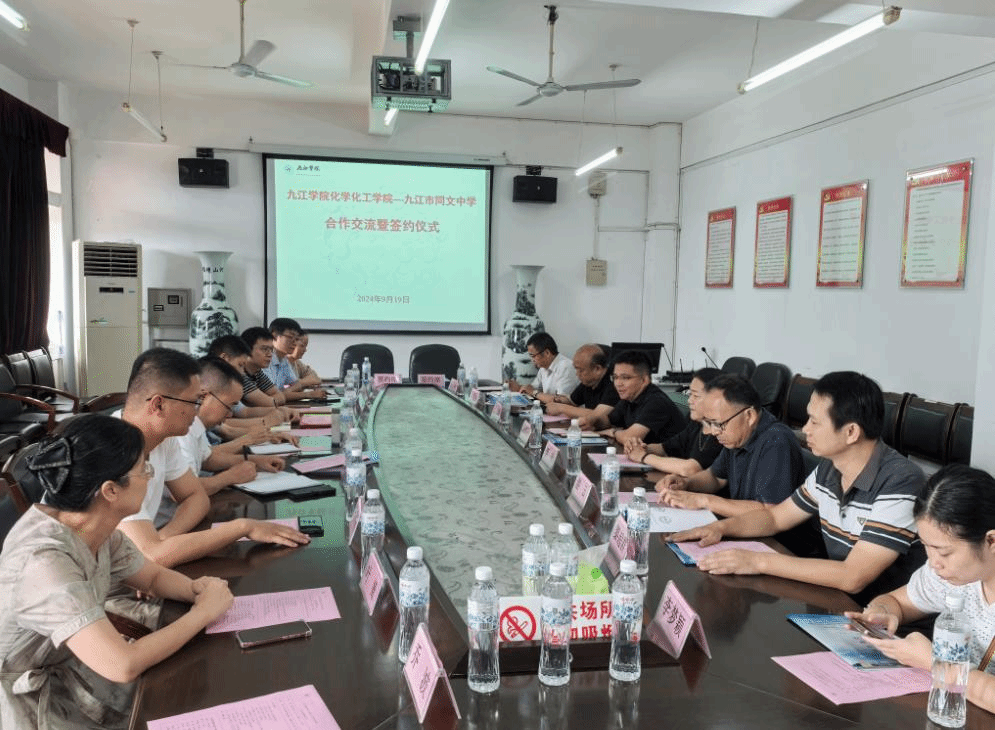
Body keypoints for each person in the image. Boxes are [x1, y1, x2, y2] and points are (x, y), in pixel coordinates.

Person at [0, 415, 235, 730]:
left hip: (75, 664)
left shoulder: (91, 525)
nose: (150, 476)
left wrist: (197, 590)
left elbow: (151, 577)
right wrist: (204, 613)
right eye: (144, 469)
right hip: (25, 705)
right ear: (110, 490)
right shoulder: (44, 564)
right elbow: (121, 665)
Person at [668, 371, 926, 599]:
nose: (805, 429)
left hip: (888, 619)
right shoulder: (829, 468)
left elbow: (853, 576)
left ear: (851, 432)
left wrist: (758, 561)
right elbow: (775, 518)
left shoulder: (900, 480)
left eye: (815, 421)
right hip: (837, 600)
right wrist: (718, 528)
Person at [117, 347, 310, 568]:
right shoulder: (113, 451)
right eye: (194, 402)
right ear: (159, 404)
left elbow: (197, 497)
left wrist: (164, 539)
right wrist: (243, 527)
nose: (196, 411)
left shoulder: (163, 438)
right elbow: (151, 556)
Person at [848, 464, 995, 716]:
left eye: (944, 552)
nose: (934, 562)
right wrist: (882, 612)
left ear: (991, 540)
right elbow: (897, 601)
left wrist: (933, 662)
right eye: (926, 546)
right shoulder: (951, 574)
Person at [656, 374, 803, 516]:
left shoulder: (777, 441)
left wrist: (704, 500)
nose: (713, 431)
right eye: (709, 423)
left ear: (749, 416)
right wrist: (686, 483)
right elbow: (715, 478)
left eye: (718, 424)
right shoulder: (736, 436)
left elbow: (770, 511)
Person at [177, 357, 285, 497]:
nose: (230, 414)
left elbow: (207, 459)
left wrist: (258, 461)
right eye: (229, 406)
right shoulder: (181, 431)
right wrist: (229, 477)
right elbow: (183, 491)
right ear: (204, 396)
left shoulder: (196, 425)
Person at [624, 367, 723, 476]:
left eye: (695, 396)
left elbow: (690, 469)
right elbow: (664, 448)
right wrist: (639, 447)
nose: (689, 400)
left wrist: (643, 457)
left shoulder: (720, 434)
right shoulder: (697, 424)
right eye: (690, 394)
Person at [578, 349, 686, 444]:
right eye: (615, 377)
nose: (618, 383)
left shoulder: (656, 402)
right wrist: (592, 420)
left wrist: (614, 432)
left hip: (667, 458)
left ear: (644, 380)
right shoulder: (629, 398)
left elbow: (630, 438)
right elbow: (609, 421)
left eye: (625, 378)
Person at [542, 344, 619, 421]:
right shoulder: (588, 382)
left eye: (581, 370)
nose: (577, 374)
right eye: (576, 369)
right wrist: (558, 401)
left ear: (597, 369)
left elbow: (598, 415)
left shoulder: (614, 383)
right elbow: (572, 401)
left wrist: (561, 408)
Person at [264, 318, 327, 400]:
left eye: (296, 339)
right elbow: (273, 396)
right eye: (290, 337)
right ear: (275, 336)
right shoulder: (265, 359)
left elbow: (295, 384)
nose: (294, 342)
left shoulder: (283, 360)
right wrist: (309, 394)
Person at [509, 332, 579, 397]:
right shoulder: (543, 367)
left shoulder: (565, 367)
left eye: (533, 356)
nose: (532, 360)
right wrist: (519, 387)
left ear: (547, 353)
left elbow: (561, 400)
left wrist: (533, 392)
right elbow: (534, 388)